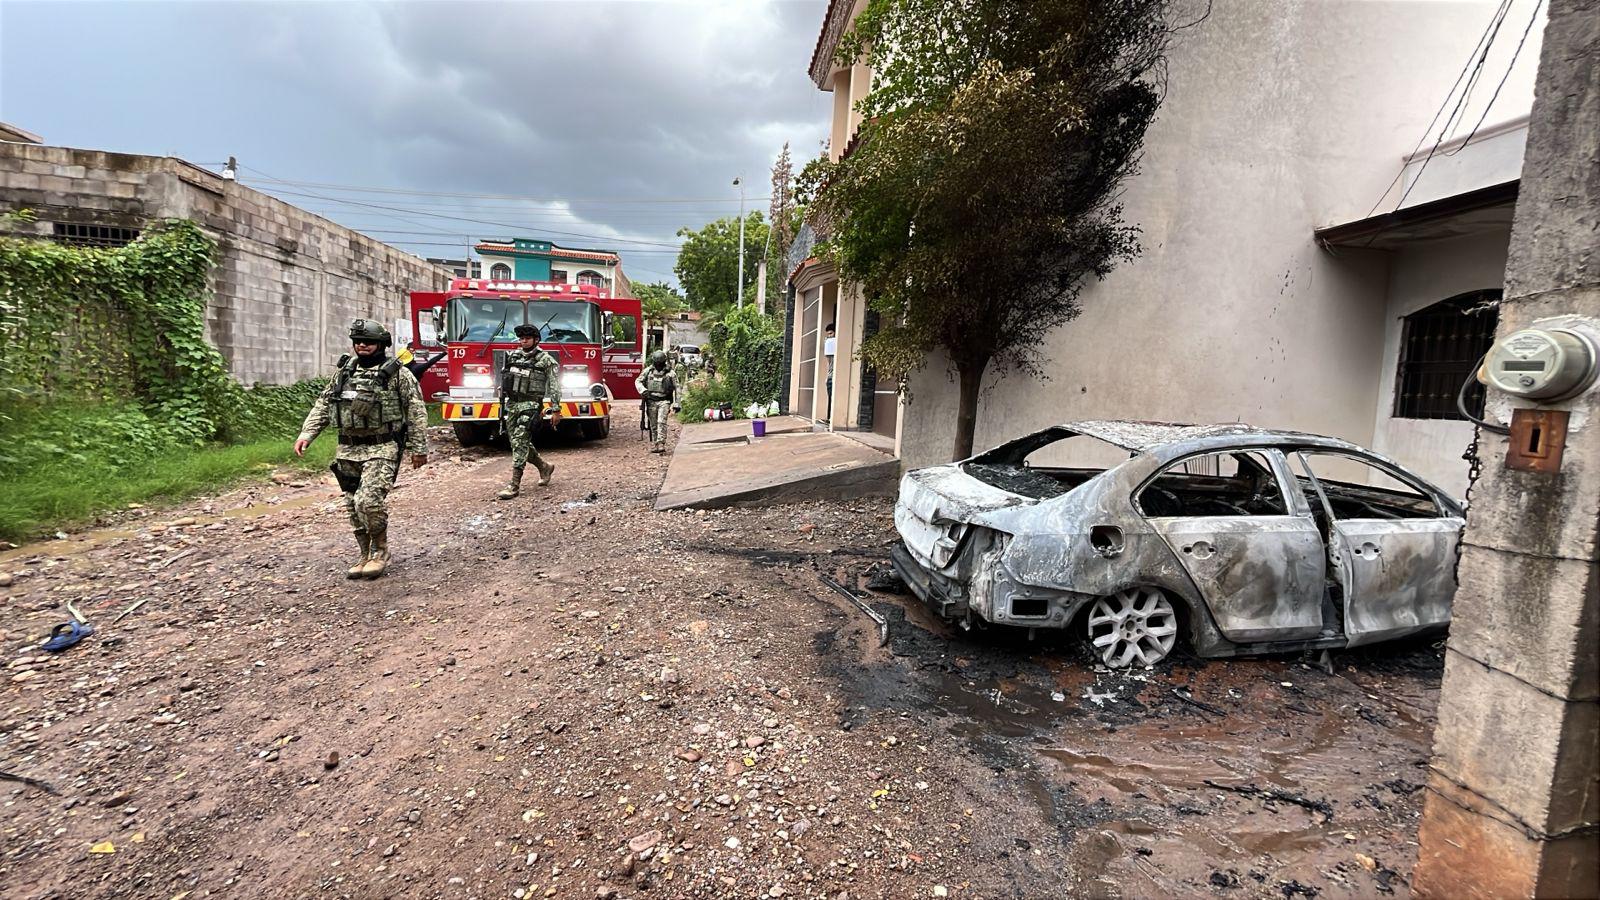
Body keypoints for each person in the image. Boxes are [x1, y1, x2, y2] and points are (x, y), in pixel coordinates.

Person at [295, 319, 430, 579]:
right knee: (351, 506)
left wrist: (418, 448)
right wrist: (307, 434)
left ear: (381, 344)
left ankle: (380, 551)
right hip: (347, 449)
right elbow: (323, 405)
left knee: (368, 501)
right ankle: (364, 554)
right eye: (358, 341)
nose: (362, 345)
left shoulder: (398, 374)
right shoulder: (344, 373)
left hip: (382, 447)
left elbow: (415, 410)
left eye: (368, 341)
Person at [497, 324, 559, 499]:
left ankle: (514, 485)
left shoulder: (546, 360)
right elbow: (507, 376)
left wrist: (556, 410)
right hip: (513, 404)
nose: (523, 341)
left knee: (520, 441)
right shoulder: (514, 355)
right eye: (521, 338)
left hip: (531, 405)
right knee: (516, 441)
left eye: (527, 338)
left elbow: (554, 386)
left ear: (536, 340)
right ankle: (544, 467)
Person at [634, 350, 678, 453]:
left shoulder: (670, 373)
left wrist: (677, 404)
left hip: (664, 400)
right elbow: (638, 381)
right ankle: (656, 444)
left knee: (661, 422)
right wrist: (643, 390)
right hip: (651, 400)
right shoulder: (648, 371)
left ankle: (661, 443)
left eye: (660, 363)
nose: (658, 365)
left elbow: (677, 389)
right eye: (657, 363)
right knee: (653, 424)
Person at [823, 322, 837, 420]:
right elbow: (829, 362)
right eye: (828, 334)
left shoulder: (836, 343)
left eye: (831, 333)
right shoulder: (829, 343)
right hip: (830, 376)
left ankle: (833, 418)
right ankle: (830, 418)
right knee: (830, 397)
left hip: (836, 376)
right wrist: (827, 376)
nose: (829, 336)